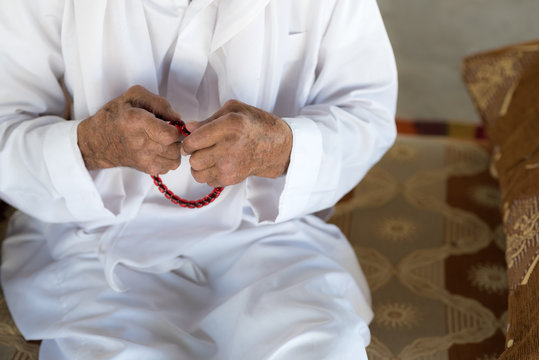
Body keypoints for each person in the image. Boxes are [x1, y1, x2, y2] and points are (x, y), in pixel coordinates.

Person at [0, 0, 397, 359]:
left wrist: (279, 148)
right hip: (97, 238)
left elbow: (366, 112)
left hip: (266, 235)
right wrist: (92, 146)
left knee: (323, 349)